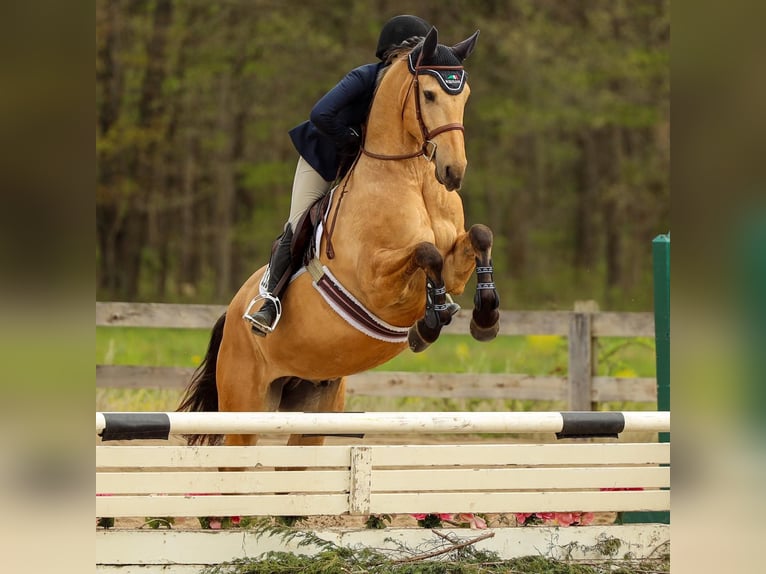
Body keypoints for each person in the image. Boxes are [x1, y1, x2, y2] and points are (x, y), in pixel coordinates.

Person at [246, 15, 432, 336]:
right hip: (325, 158)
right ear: (393, 55)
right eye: (412, 58)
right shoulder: (364, 77)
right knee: (299, 221)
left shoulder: (411, 93)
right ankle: (270, 300)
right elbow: (320, 113)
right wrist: (350, 139)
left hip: (367, 171)